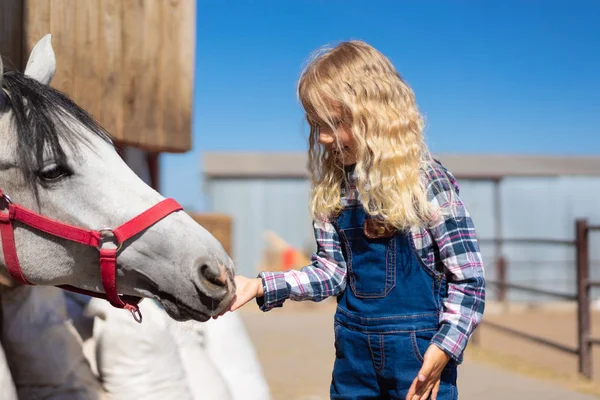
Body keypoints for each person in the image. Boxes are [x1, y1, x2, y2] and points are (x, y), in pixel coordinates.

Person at [224, 40, 485, 400]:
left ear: (374, 114)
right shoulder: (335, 191)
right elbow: (331, 272)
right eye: (317, 126)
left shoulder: (426, 184)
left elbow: (469, 281)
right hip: (354, 362)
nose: (326, 138)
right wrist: (260, 286)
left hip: (418, 361)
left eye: (335, 123)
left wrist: (444, 348)